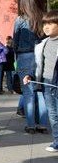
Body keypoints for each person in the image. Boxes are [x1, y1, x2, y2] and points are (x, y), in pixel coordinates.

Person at [13, 0, 48, 134]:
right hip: (42, 56)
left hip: (25, 56)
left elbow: (15, 41)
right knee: (41, 91)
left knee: (28, 92)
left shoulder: (20, 20)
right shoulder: (45, 18)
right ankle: (43, 124)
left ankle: (31, 125)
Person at [23, 10, 58, 152]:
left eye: (51, 23)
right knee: (53, 115)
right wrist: (30, 75)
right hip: (47, 85)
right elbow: (36, 64)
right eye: (45, 24)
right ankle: (57, 141)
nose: (46, 27)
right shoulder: (41, 44)